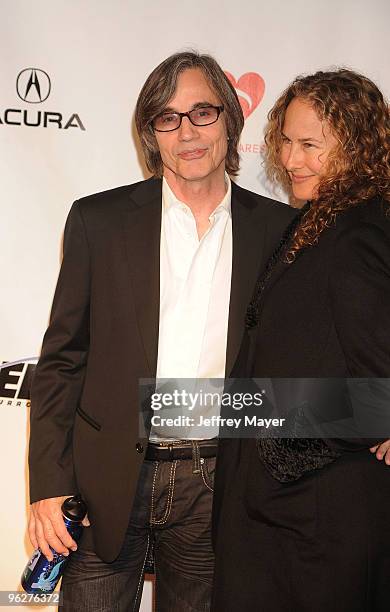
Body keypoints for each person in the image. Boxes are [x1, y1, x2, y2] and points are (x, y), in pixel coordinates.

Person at [27, 51, 295, 611]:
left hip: (219, 485)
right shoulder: (96, 221)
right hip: (105, 481)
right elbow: (62, 360)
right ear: (151, 132)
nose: (187, 133)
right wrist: (49, 484)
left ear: (230, 120)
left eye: (202, 112)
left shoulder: (280, 231)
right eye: (168, 118)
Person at [212, 68, 390, 612]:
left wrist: (260, 418)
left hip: (315, 521)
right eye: (286, 141)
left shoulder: (362, 233)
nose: (291, 160)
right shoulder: (317, 221)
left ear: (357, 147)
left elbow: (377, 397)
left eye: (310, 145)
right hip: (282, 510)